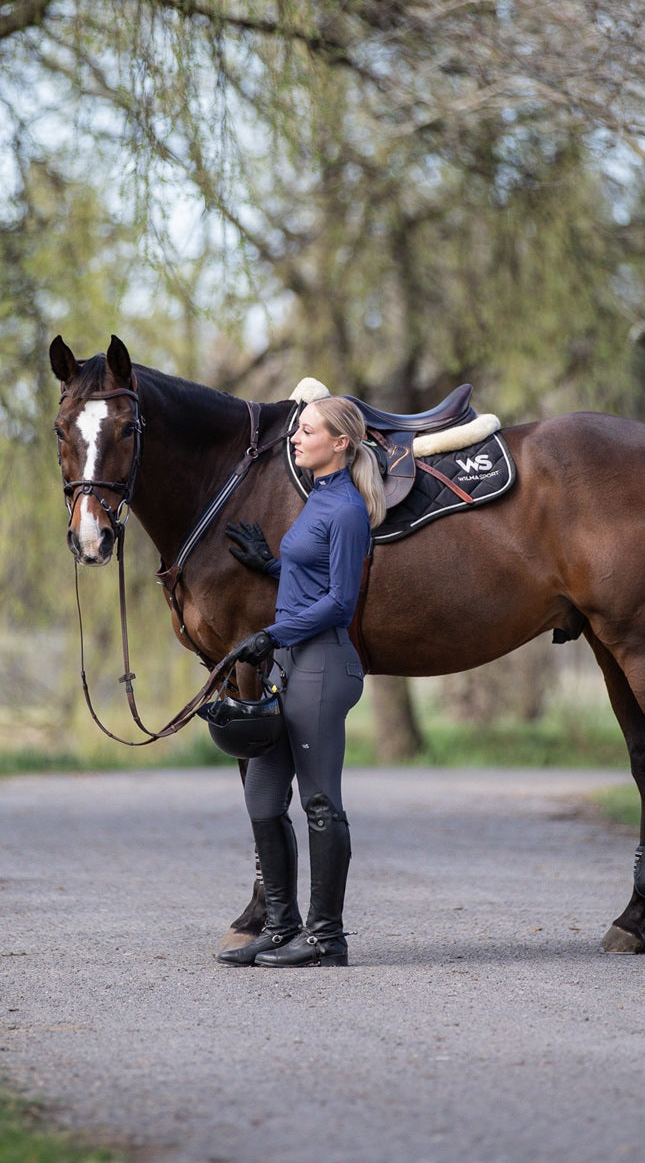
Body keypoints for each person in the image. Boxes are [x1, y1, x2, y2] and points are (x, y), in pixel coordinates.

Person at [216, 396, 386, 968]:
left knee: (318, 801)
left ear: (339, 443)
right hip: (291, 662)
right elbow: (314, 573)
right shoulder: (319, 499)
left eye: (307, 430)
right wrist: (274, 565)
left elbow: (340, 602)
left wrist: (269, 634)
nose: (295, 437)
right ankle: (281, 924)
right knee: (262, 797)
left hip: (321, 665)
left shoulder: (347, 510)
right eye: (296, 430)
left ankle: (326, 937)